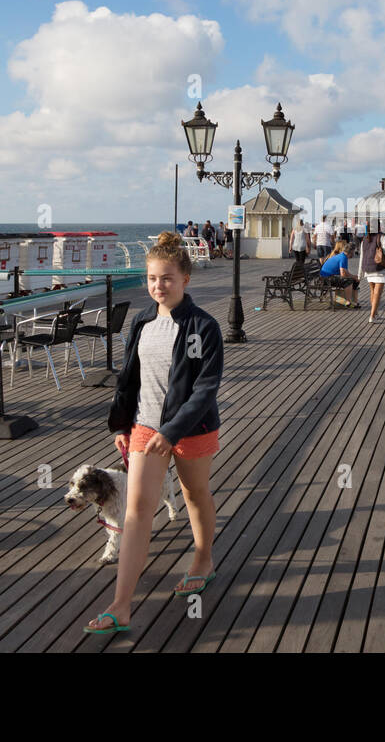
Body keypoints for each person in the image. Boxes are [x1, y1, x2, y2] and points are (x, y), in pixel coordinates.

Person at [85, 231, 224, 635]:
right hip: (145, 426)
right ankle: (121, 605)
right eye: (151, 278)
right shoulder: (142, 320)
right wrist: (123, 424)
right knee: (137, 510)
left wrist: (174, 429)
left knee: (195, 493)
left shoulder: (204, 326)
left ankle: (202, 559)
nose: (157, 286)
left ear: (185, 279)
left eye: (166, 278)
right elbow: (131, 379)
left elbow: (206, 387)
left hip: (191, 427)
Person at [358, 227, 385, 322]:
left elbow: (362, 256)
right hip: (378, 268)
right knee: (377, 293)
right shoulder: (381, 237)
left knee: (373, 291)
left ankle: (376, 313)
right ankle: (372, 316)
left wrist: (360, 273)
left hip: (368, 269)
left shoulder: (364, 240)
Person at [319, 240, 359, 308]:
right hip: (326, 279)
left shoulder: (342, 255)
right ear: (351, 252)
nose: (354, 254)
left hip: (326, 277)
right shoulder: (343, 257)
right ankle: (348, 303)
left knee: (355, 280)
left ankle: (355, 302)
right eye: (353, 252)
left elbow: (345, 271)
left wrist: (354, 277)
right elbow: (343, 274)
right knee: (349, 281)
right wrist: (353, 277)